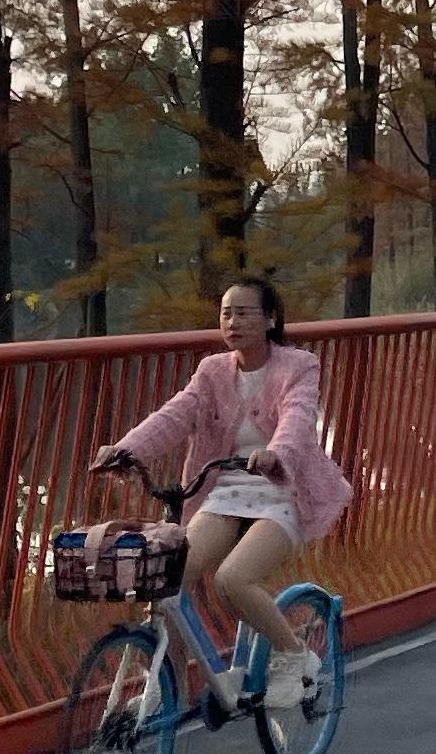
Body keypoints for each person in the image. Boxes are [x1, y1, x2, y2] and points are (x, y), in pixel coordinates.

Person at [93, 277, 353, 703]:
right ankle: (166, 683)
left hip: (281, 494)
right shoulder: (213, 371)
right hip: (225, 492)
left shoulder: (298, 365)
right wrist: (125, 449)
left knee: (233, 579)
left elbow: (298, 416)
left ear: (271, 319)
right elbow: (176, 414)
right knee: (169, 581)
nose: (233, 322)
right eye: (226, 313)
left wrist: (276, 453)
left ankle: (294, 654)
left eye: (245, 312)